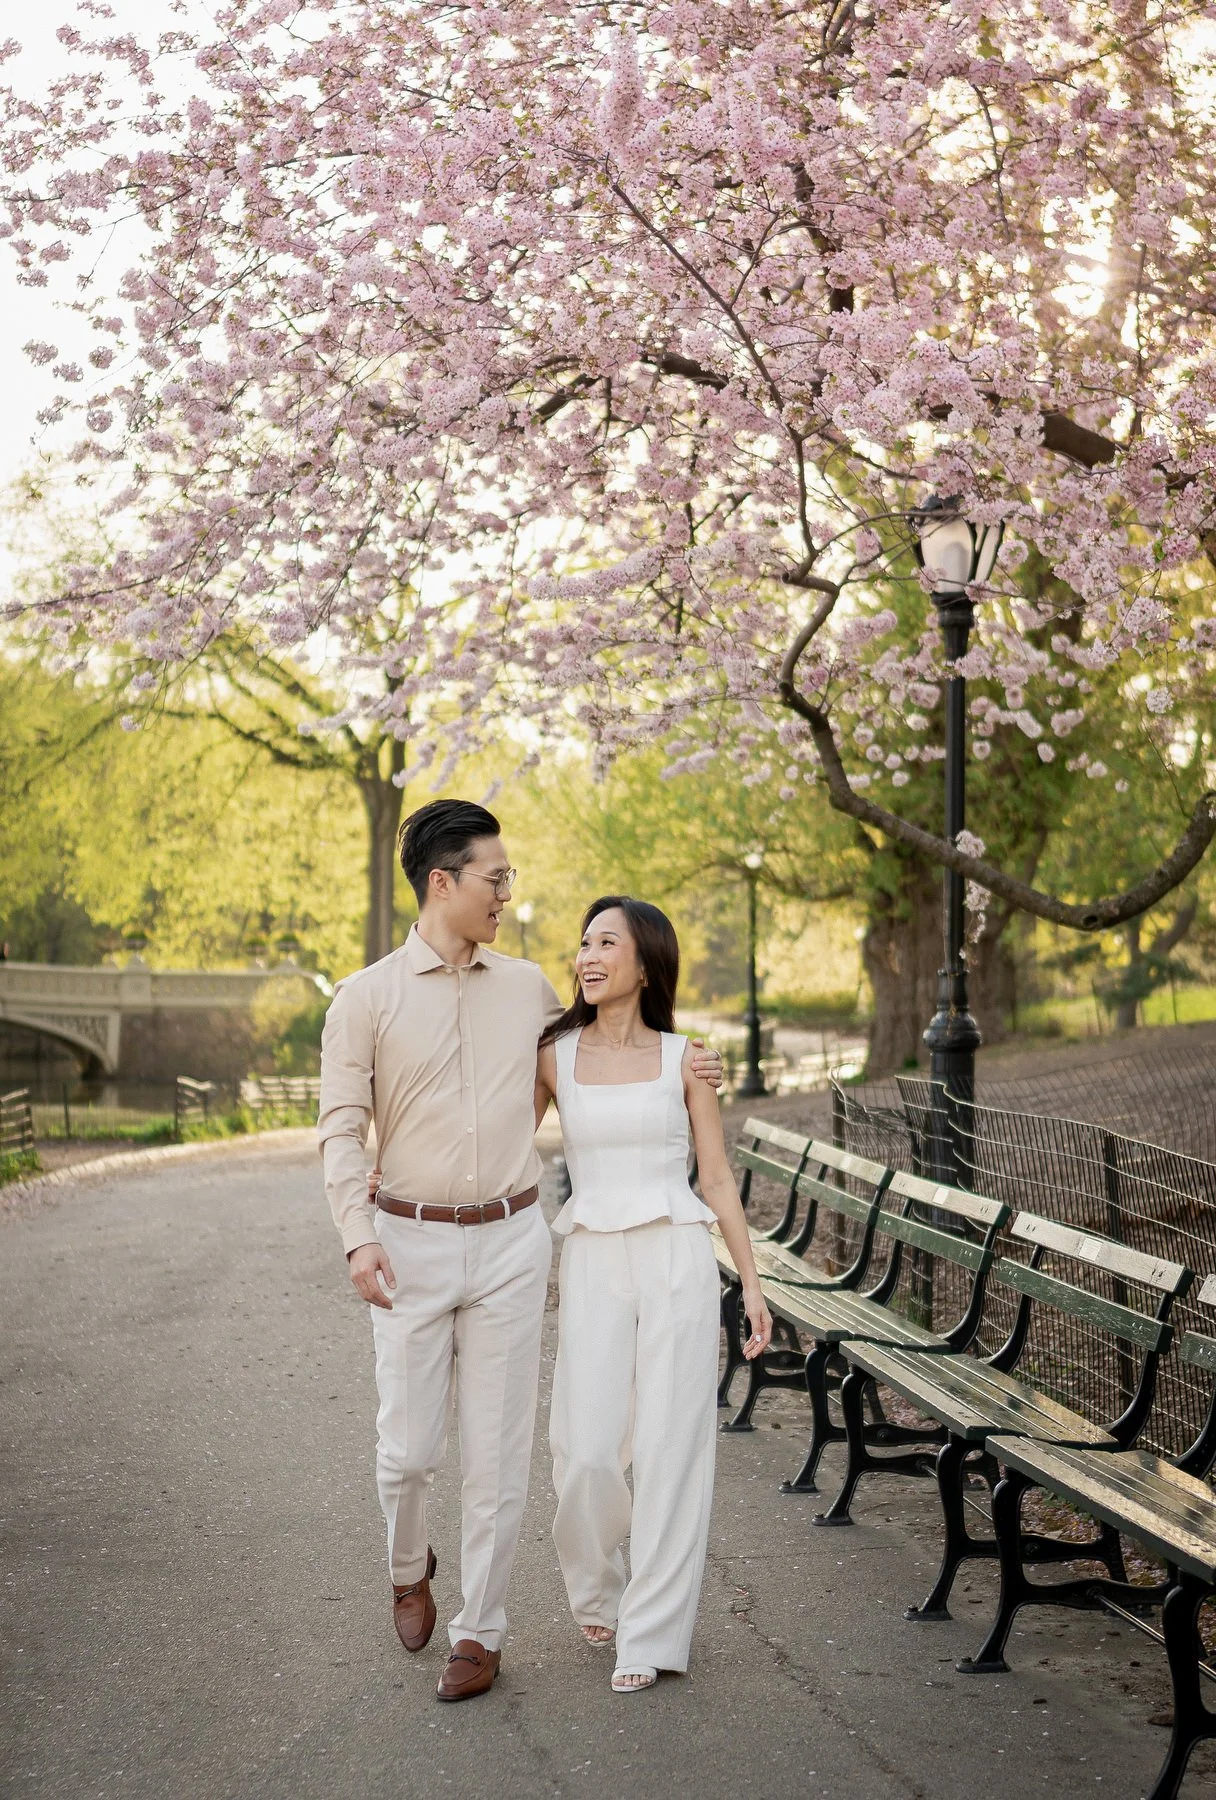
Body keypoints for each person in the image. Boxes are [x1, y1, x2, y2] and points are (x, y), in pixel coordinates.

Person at [317, 801, 723, 1703]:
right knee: (410, 1452)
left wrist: (694, 1065)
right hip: (407, 1241)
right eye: (496, 880)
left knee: (499, 1454)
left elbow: (599, 1069)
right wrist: (358, 1237)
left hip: (510, 1237)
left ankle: (481, 1631)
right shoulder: (365, 998)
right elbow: (340, 1133)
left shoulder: (531, 989)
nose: (508, 893)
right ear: (443, 883)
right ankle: (406, 1560)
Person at [535, 896, 773, 1694]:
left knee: (673, 1448)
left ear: (645, 963)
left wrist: (753, 1284)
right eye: (584, 942)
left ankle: (654, 1632)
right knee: (588, 1450)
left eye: (609, 942)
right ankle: (598, 1585)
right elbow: (500, 1146)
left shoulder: (686, 1061)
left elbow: (715, 1179)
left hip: (676, 1256)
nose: (589, 955)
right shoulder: (554, 1054)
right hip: (595, 1257)